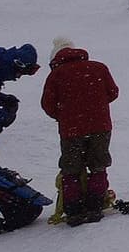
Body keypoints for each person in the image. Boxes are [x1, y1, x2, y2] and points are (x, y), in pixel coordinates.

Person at [40, 39, 119, 227]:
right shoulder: (98, 68)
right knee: (98, 165)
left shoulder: (56, 75)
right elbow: (113, 92)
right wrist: (96, 104)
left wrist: (64, 115)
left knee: (71, 169)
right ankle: (95, 206)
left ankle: (74, 211)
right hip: (100, 126)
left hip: (71, 130)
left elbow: (47, 105)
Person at [0, 44, 48, 236]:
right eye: (20, 73)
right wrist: (3, 118)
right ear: (15, 64)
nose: (18, 77)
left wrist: (0, 98)